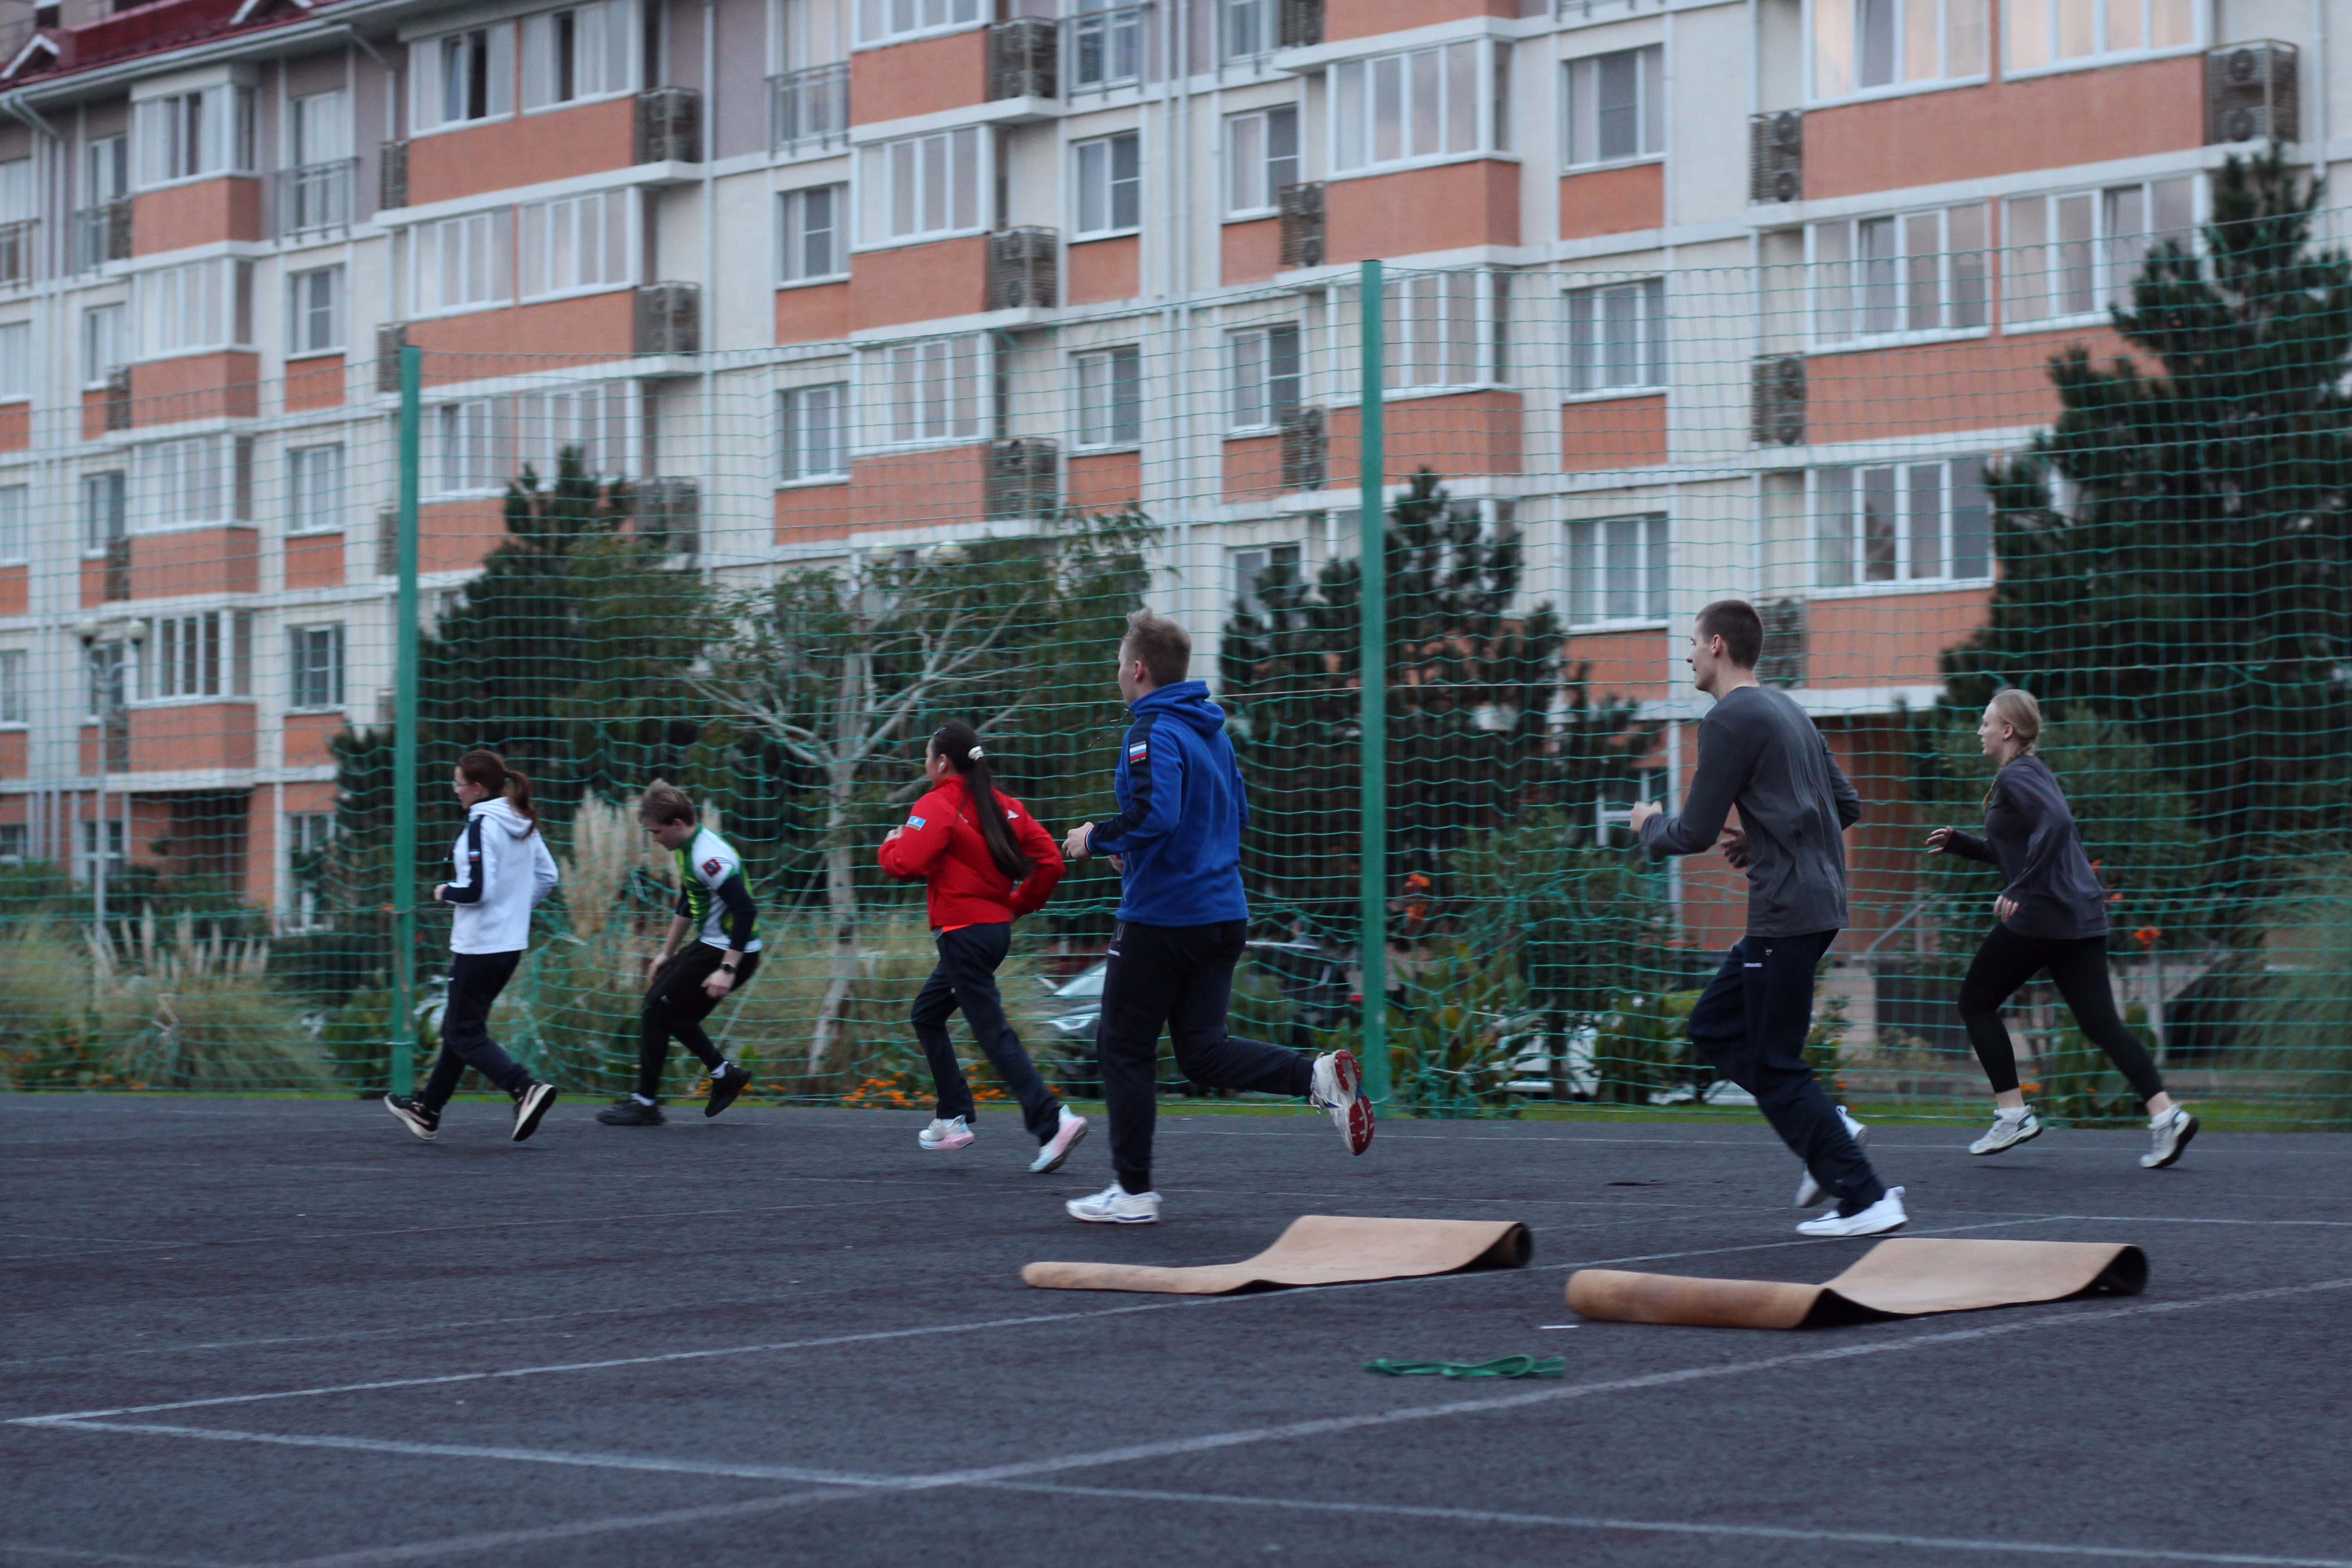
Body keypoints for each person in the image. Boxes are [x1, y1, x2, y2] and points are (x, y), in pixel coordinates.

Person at [1058, 609, 1372, 1225]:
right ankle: (1317, 1077)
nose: (1118, 674)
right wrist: (1140, 854)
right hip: (1224, 913)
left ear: (1139, 669)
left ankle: (1133, 1192)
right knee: (1201, 1051)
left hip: (1164, 920)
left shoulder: (1151, 730)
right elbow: (1235, 816)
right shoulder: (1214, 733)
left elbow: (1156, 816)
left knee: (1121, 1046)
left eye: (1121, 663)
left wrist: (1097, 838)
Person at [1630, 600, 1905, 1237]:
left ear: (1720, 645)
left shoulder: (1729, 718)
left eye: (1694, 644)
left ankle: (1865, 1199)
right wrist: (1763, 839)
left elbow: (1694, 832)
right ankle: (1825, 1126)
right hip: (1816, 902)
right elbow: (1845, 804)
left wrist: (1649, 828)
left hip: (1786, 909)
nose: (1689, 656)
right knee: (1714, 1025)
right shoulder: (1786, 709)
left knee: (1776, 1062)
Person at [1927, 688, 2198, 1169]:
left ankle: (2012, 1114)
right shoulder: (2032, 774)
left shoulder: (2019, 774)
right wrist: (1962, 843)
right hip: (2079, 916)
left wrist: (2023, 890)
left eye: (1986, 722)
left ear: (2008, 731)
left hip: (2045, 914)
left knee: (1976, 1002)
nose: (1980, 730)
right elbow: (2018, 845)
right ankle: (2167, 1116)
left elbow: (2056, 823)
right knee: (2100, 1023)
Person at [877, 720, 1087, 1172]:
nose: (926, 767)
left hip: (963, 935)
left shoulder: (938, 803)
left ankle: (1054, 1122)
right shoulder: (1005, 806)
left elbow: (908, 863)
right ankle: (952, 1117)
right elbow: (1051, 863)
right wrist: (1014, 906)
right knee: (928, 1014)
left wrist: (889, 846)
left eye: (928, 759)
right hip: (993, 933)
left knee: (992, 1032)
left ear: (942, 763)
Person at [385, 750, 561, 1144]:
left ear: (477, 788)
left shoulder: (483, 825)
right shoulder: (521, 819)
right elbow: (548, 876)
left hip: (480, 946)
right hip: (510, 945)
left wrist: (445, 891)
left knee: (464, 1034)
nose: (456, 791)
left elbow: (478, 890)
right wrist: (515, 912)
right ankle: (428, 1111)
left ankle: (524, 1087)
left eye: (459, 784)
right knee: (458, 1029)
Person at [597, 782, 762, 1127]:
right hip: (713, 945)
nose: (653, 838)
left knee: (657, 1008)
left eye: (656, 831)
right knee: (669, 1013)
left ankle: (647, 1104)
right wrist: (666, 953)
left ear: (676, 824)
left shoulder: (708, 858)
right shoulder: (689, 848)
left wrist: (728, 970)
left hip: (730, 951)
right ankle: (724, 1075)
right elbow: (689, 901)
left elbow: (746, 910)